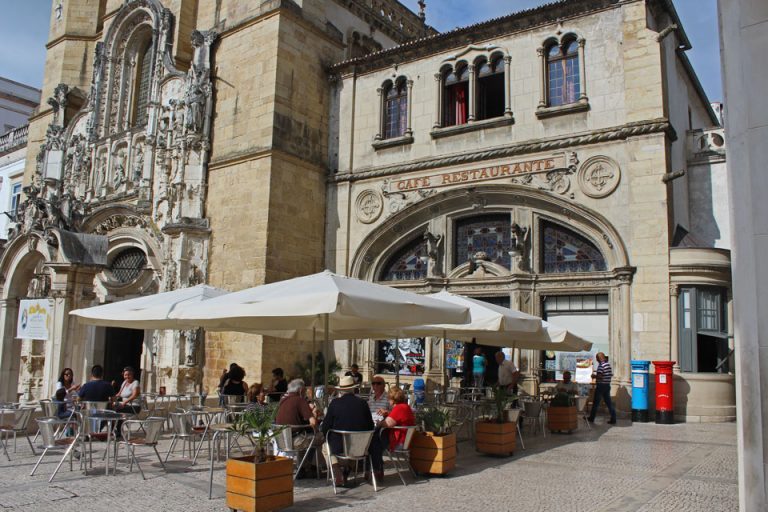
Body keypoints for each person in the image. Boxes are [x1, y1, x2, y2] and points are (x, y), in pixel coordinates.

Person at [321, 375, 375, 486]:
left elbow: (325, 427)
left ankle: (337, 471)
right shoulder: (363, 403)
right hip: (360, 447)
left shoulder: (335, 403)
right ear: (353, 389)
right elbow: (370, 426)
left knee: (325, 447)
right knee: (355, 447)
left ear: (340, 390)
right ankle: (346, 472)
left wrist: (328, 436)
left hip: (339, 447)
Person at [372, 387, 415, 479]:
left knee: (374, 442)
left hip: (397, 442)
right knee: (376, 440)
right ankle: (378, 466)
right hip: (405, 442)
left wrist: (378, 421)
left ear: (392, 400)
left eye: (389, 399)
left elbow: (387, 423)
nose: (388, 401)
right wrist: (387, 413)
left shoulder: (398, 408)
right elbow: (397, 418)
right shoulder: (406, 407)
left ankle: (377, 467)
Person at [276, 379, 320, 452]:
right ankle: (310, 459)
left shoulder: (282, 401)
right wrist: (314, 413)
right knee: (321, 436)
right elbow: (313, 423)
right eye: (305, 390)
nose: (305, 393)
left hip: (281, 442)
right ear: (301, 390)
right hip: (297, 442)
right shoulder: (300, 400)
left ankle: (304, 458)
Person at [589, 352, 616, 424]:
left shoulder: (601, 366)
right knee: (609, 403)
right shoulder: (608, 365)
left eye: (597, 358)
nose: (596, 360)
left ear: (599, 358)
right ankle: (613, 418)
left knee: (596, 403)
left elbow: (600, 376)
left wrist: (594, 376)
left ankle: (591, 418)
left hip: (601, 386)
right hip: (607, 385)